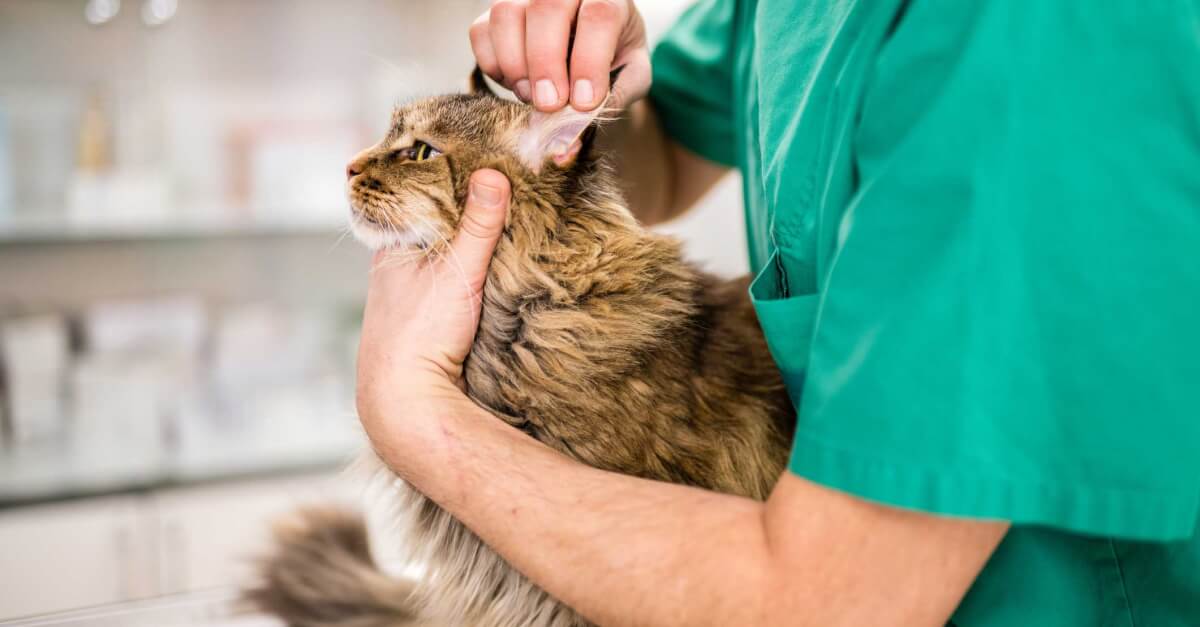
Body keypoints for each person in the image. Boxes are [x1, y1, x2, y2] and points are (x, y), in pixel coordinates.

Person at [354, 1, 1200, 624]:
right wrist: (583, 90)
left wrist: (422, 421)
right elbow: (664, 152)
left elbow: (835, 602)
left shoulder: (1027, 43)